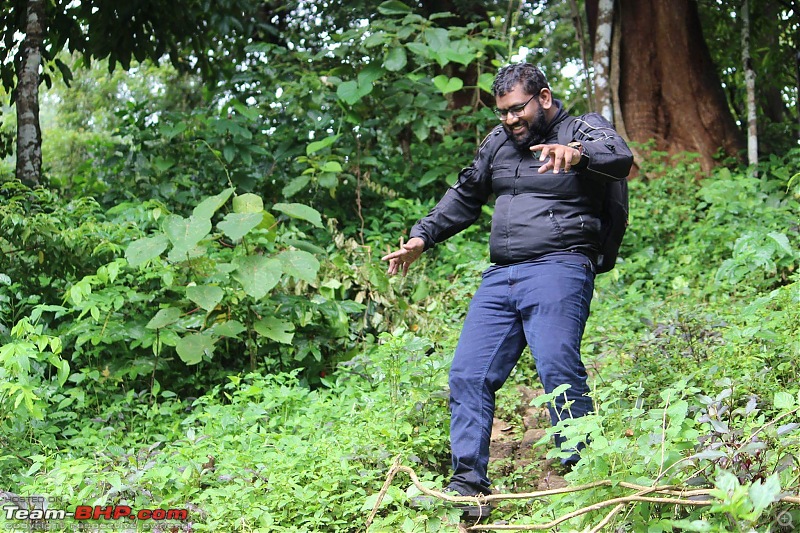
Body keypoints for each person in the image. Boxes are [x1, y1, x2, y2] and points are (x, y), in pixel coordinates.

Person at [382, 62, 633, 510]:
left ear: (544, 97)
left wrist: (576, 154)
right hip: (501, 275)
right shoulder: (498, 143)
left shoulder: (583, 128)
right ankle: (469, 487)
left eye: (518, 109)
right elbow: (465, 194)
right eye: (502, 112)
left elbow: (619, 157)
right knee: (468, 373)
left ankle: (586, 475)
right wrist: (423, 237)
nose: (510, 119)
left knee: (556, 366)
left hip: (560, 265)